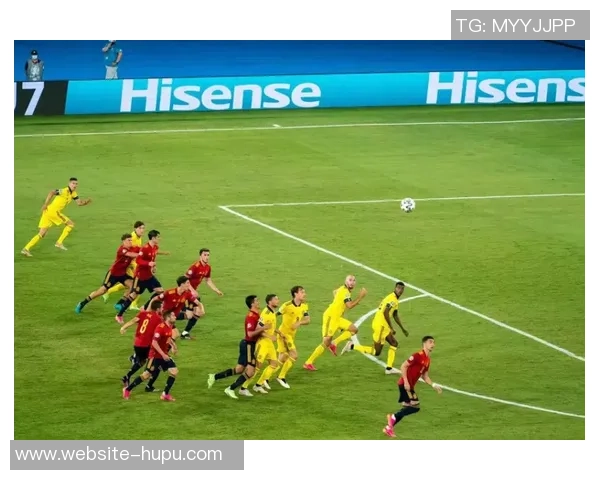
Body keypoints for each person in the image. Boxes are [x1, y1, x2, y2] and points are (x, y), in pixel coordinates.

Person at [207, 295, 269, 399]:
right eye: (257, 301)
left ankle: (214, 376)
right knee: (250, 371)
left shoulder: (256, 314)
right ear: (252, 304)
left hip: (247, 344)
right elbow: (250, 334)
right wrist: (264, 328)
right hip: (248, 345)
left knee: (239, 369)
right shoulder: (251, 316)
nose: (259, 302)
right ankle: (230, 389)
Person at [341, 281, 409, 373]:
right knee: (377, 351)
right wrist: (391, 328)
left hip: (381, 325)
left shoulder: (394, 299)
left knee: (393, 344)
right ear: (395, 288)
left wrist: (402, 329)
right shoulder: (392, 299)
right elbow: (386, 312)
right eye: (398, 288)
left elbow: (395, 314)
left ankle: (389, 369)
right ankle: (352, 346)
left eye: (402, 289)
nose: (400, 290)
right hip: (381, 326)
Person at [383, 336, 442, 438]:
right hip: (405, 384)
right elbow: (403, 366)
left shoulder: (427, 360)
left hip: (409, 385)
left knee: (408, 407)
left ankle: (389, 427)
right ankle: (391, 419)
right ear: (424, 344)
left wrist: (433, 384)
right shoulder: (417, 355)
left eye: (433, 342)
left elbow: (425, 376)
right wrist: (406, 382)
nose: (433, 344)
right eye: (430, 342)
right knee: (415, 406)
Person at [304, 275, 366, 370]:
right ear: (345, 281)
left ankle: (334, 343)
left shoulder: (342, 289)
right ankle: (308, 362)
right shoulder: (345, 292)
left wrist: (339, 306)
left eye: (354, 280)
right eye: (350, 280)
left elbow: (334, 292)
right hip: (330, 317)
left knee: (354, 330)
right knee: (326, 342)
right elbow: (349, 305)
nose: (352, 282)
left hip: (337, 318)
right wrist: (360, 296)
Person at [21, 177, 91, 257]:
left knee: (42, 233)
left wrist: (86, 202)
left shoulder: (74, 193)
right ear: (69, 183)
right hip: (54, 212)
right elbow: (52, 192)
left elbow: (79, 203)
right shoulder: (64, 191)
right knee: (70, 224)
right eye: (73, 183)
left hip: (48, 212)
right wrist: (45, 204)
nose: (75, 185)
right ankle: (59, 243)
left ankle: (26, 249)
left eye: (76, 184)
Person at [74, 233, 138, 314]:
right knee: (102, 291)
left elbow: (142, 250)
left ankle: (119, 303)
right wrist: (141, 255)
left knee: (133, 286)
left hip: (122, 274)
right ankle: (82, 303)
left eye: (131, 240)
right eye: (129, 240)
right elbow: (131, 254)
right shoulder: (122, 249)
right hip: (113, 274)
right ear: (123, 241)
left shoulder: (133, 248)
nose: (130, 242)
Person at [123, 310, 178, 402]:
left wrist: (173, 346)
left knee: (174, 371)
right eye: (173, 315)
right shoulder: (160, 328)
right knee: (146, 375)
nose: (175, 317)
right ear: (168, 317)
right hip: (155, 356)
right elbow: (154, 343)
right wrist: (163, 354)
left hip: (163, 354)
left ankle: (165, 394)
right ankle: (127, 389)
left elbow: (168, 337)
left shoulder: (170, 326)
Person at [114, 230, 164, 323]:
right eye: (158, 237)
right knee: (133, 296)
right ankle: (119, 315)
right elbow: (138, 260)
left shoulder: (155, 247)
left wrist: (153, 267)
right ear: (153, 238)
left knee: (160, 292)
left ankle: (144, 307)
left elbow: (152, 259)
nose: (159, 239)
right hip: (140, 277)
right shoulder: (145, 248)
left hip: (149, 276)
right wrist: (148, 263)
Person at [239, 293, 280, 396]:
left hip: (269, 343)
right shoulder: (265, 313)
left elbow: (270, 326)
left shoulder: (272, 312)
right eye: (276, 299)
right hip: (263, 343)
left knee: (274, 364)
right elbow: (258, 329)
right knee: (257, 366)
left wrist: (279, 332)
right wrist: (270, 336)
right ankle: (243, 388)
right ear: (270, 302)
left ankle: (258, 385)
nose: (278, 301)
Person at [119, 299, 163, 388]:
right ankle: (146, 382)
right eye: (161, 308)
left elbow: (133, 321)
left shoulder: (143, 314)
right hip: (146, 345)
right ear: (158, 309)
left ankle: (127, 376)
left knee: (141, 361)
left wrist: (123, 327)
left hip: (137, 344)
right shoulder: (158, 319)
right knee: (153, 362)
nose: (162, 309)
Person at [182, 248, 223, 339]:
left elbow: (208, 280)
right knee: (190, 314)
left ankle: (185, 333)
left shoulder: (208, 267)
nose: (207, 257)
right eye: (205, 255)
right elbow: (185, 278)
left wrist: (216, 290)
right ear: (200, 256)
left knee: (198, 313)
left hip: (193, 294)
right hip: (186, 293)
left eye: (208, 255)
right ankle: (167, 317)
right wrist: (192, 290)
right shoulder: (195, 266)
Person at [103, 221, 145, 310]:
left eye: (143, 228)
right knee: (138, 283)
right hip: (130, 264)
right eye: (140, 228)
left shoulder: (139, 237)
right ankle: (132, 304)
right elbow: (130, 253)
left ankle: (109, 291)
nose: (142, 230)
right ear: (135, 228)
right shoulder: (133, 237)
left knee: (134, 283)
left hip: (133, 262)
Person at [274, 286, 310, 388]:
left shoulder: (304, 306)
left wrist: (300, 322)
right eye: (302, 292)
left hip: (291, 335)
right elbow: (274, 315)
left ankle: (264, 379)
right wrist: (273, 329)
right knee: (294, 355)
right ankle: (281, 377)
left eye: (304, 292)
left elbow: (308, 320)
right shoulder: (287, 305)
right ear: (295, 294)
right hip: (284, 334)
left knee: (283, 357)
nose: (304, 294)